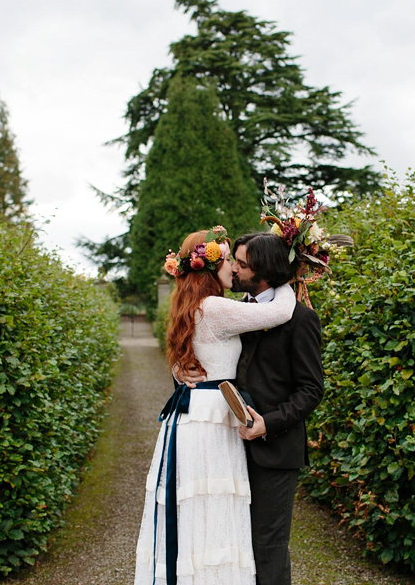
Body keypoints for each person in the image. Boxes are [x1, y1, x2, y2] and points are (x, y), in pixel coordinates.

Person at [134, 227, 297, 585]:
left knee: (194, 509)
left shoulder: (192, 306)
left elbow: (192, 358)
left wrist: (179, 371)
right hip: (211, 420)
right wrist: (289, 270)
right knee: (213, 509)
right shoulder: (216, 309)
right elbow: (281, 311)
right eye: (227, 260)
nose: (234, 269)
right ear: (209, 268)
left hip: (191, 415)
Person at [180, 232, 325, 585]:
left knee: (267, 546)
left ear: (264, 272)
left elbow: (311, 390)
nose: (235, 269)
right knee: (232, 544)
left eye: (242, 265)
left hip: (274, 450)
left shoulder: (300, 319)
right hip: (227, 448)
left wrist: (269, 423)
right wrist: (180, 369)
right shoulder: (233, 311)